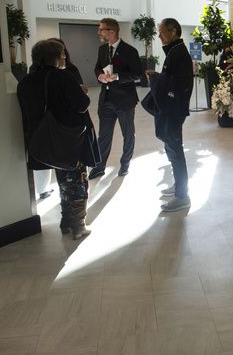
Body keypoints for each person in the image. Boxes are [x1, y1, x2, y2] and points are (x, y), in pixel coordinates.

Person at [17, 39, 98, 240]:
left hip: (44, 140)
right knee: (76, 179)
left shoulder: (25, 82)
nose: (64, 58)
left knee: (63, 180)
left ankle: (65, 220)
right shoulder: (62, 77)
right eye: (62, 54)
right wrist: (82, 92)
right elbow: (81, 105)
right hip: (69, 138)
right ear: (54, 57)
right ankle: (78, 224)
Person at [89, 18, 142, 179]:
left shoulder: (130, 51)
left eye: (101, 29)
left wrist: (118, 76)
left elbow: (137, 74)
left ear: (111, 32)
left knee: (128, 134)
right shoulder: (102, 49)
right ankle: (99, 167)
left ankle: (125, 165)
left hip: (125, 101)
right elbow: (97, 67)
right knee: (104, 135)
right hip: (106, 100)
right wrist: (100, 76)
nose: (99, 32)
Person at [154, 18, 194, 212]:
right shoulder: (174, 51)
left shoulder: (178, 53)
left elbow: (180, 84)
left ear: (174, 31)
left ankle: (182, 196)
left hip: (174, 109)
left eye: (161, 32)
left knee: (175, 149)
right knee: (171, 148)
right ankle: (179, 187)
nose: (159, 36)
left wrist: (158, 80)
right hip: (172, 108)